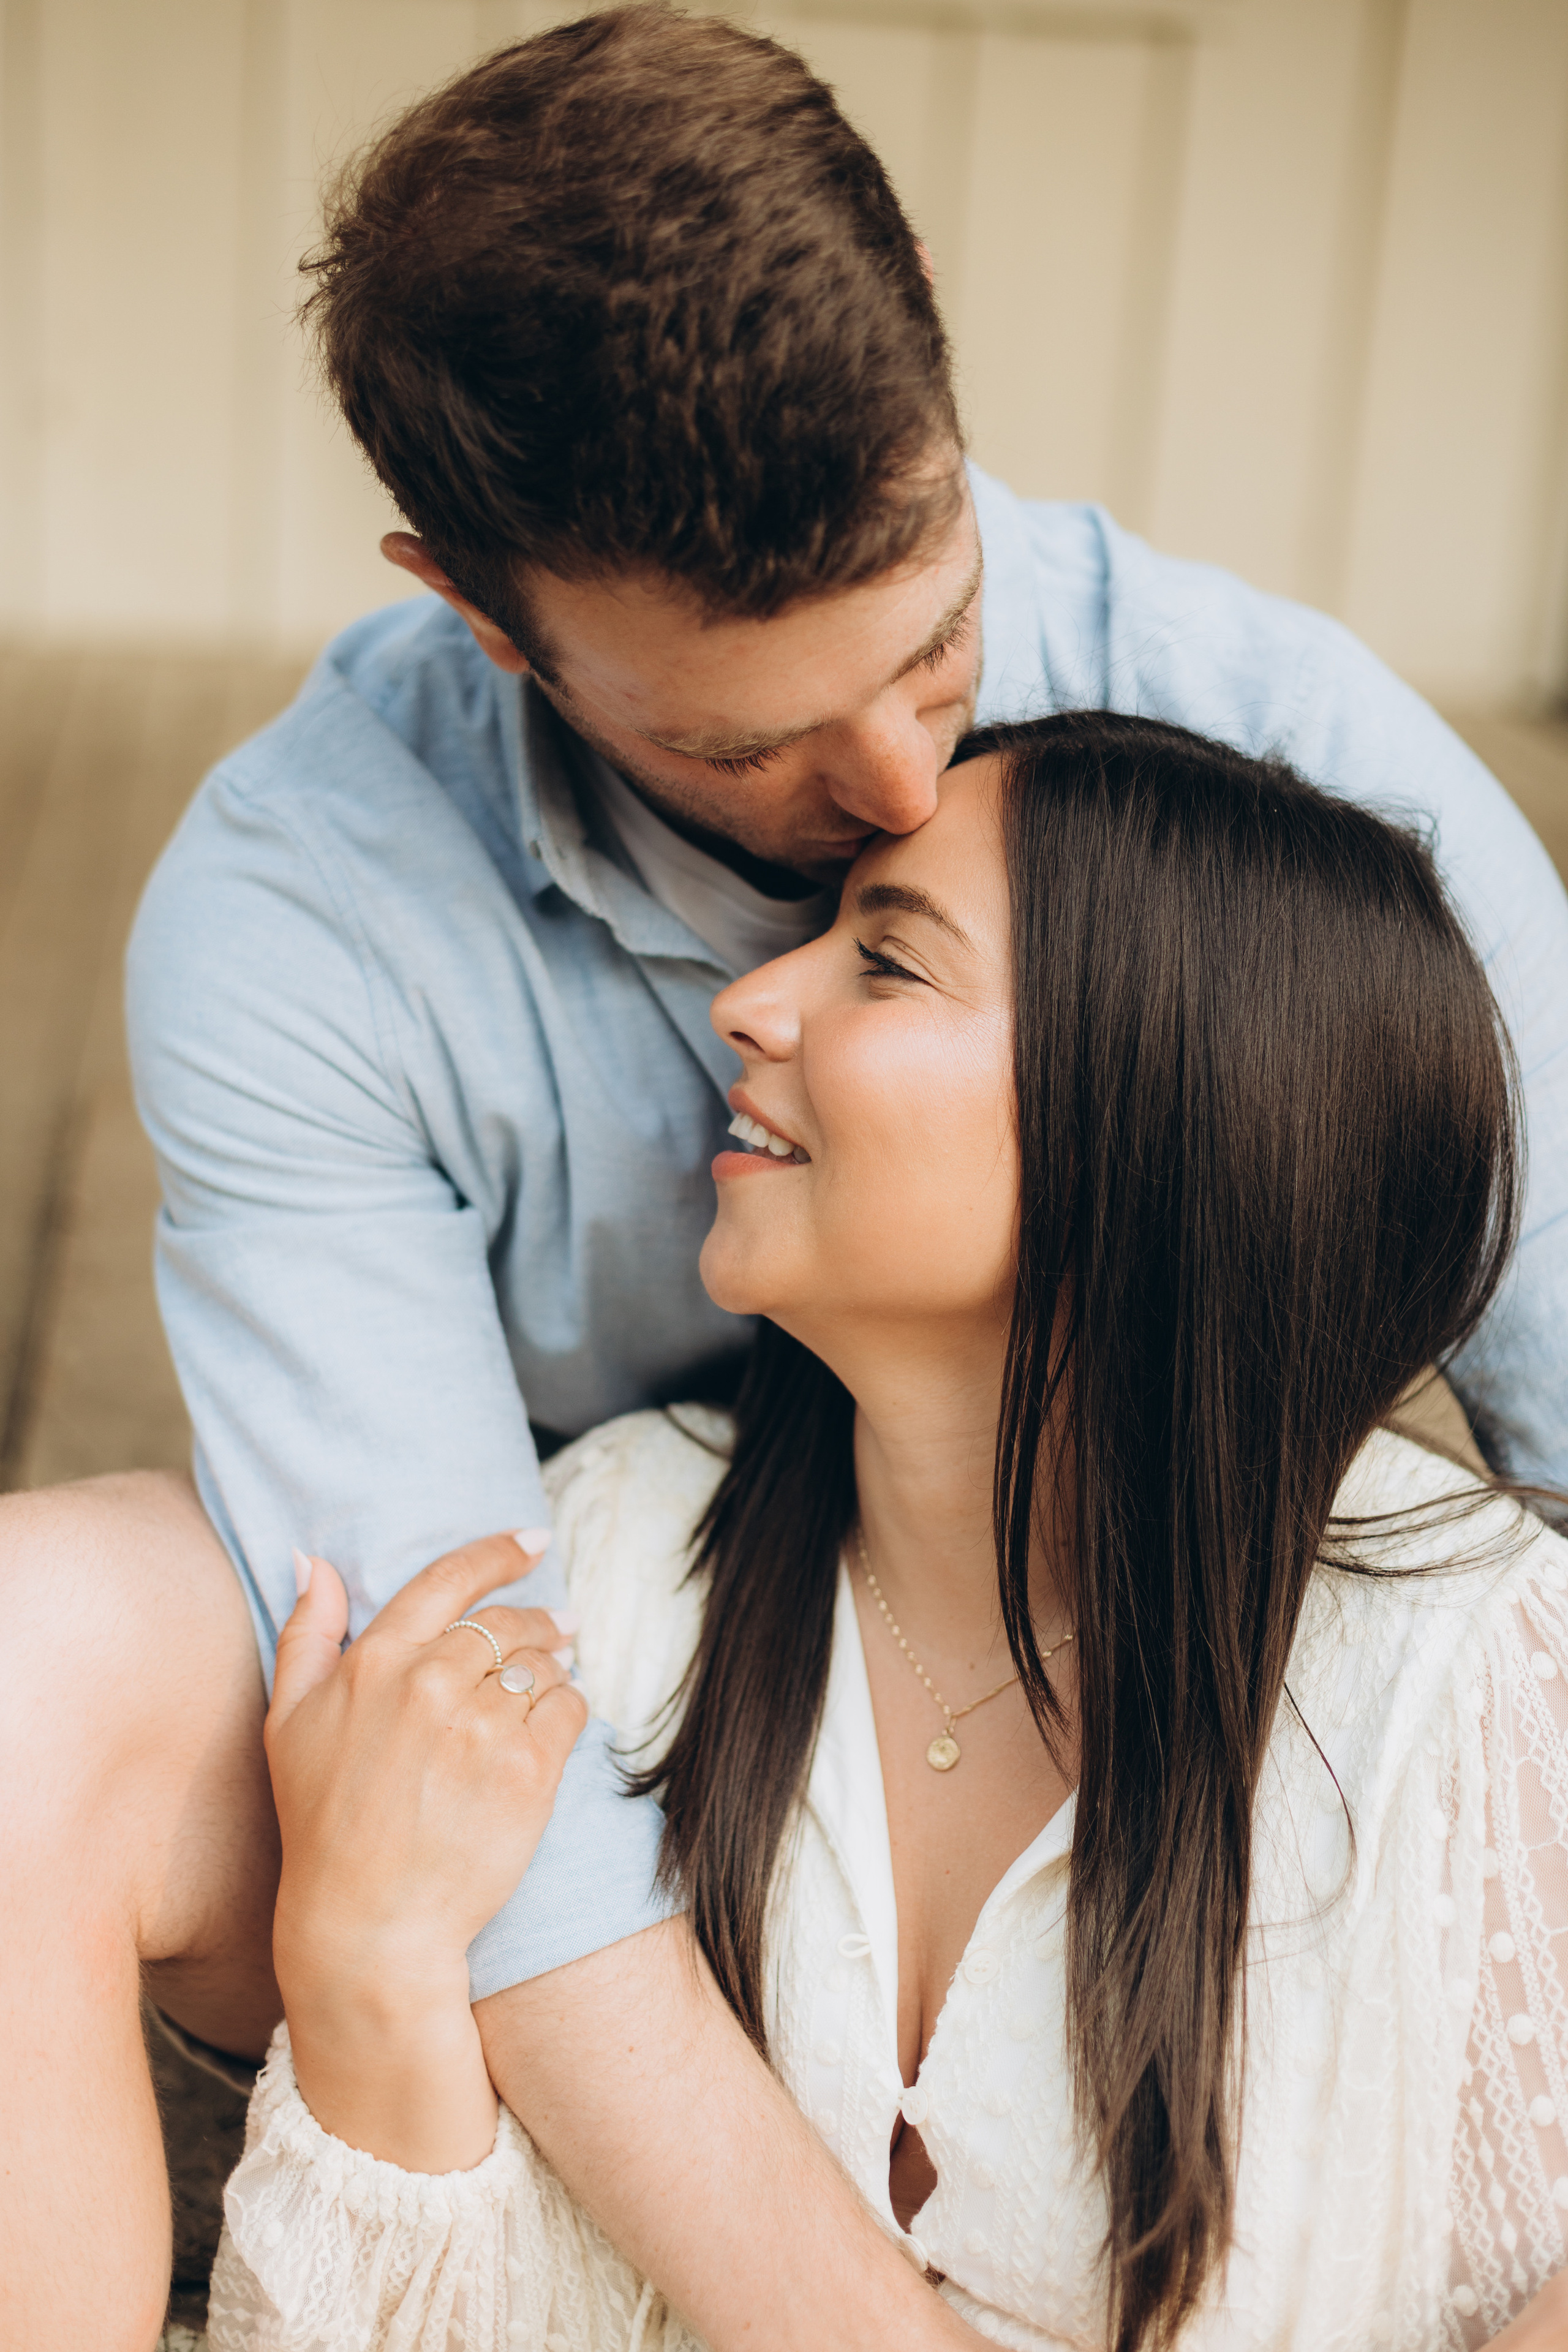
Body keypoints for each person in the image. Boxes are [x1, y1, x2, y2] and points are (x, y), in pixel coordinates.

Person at [2, 11, 1566, 2346]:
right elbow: (467, 1708)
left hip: (1160, 1663)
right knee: (35, 1656)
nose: (897, 768)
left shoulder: (1314, 775)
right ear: (475, 604)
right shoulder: (297, 920)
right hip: (629, 1688)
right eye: (745, 742)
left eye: (939, 638)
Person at [208, 715, 1568, 2350]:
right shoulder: (606, 1565)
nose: (748, 1001)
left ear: (1158, 1120)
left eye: (889, 967)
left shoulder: (1486, 1681)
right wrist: (361, 1966)